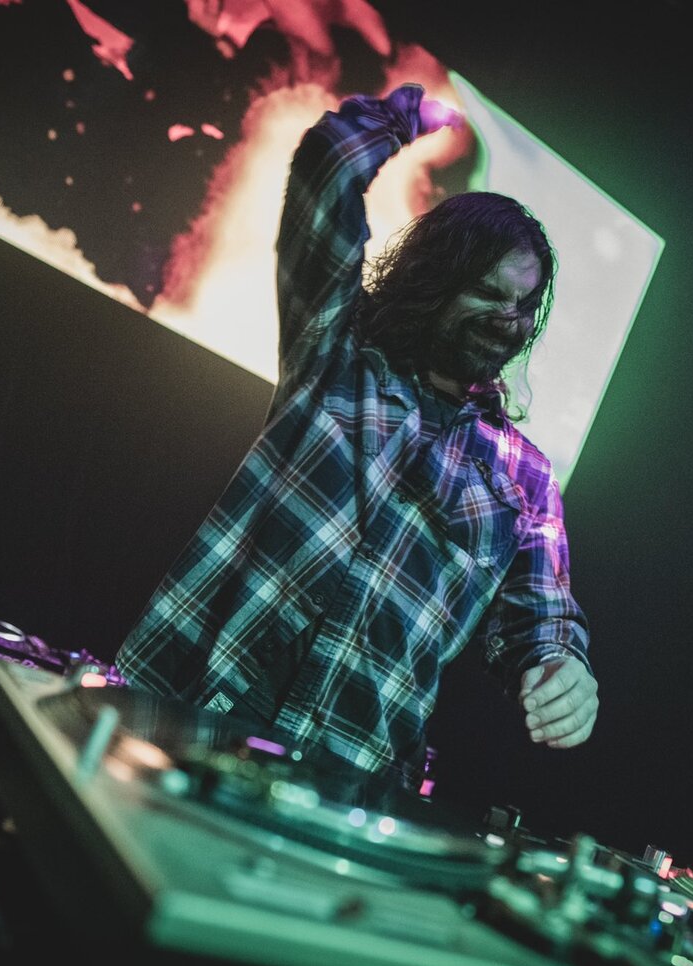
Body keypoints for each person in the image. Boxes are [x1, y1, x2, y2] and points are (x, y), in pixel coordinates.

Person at [116, 82, 597, 790]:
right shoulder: (338, 355)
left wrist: (563, 667)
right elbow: (327, 170)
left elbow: (541, 620)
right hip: (186, 715)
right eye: (490, 294)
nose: (511, 320)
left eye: (525, 305)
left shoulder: (527, 478)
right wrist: (401, 116)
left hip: (345, 778)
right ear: (434, 282)